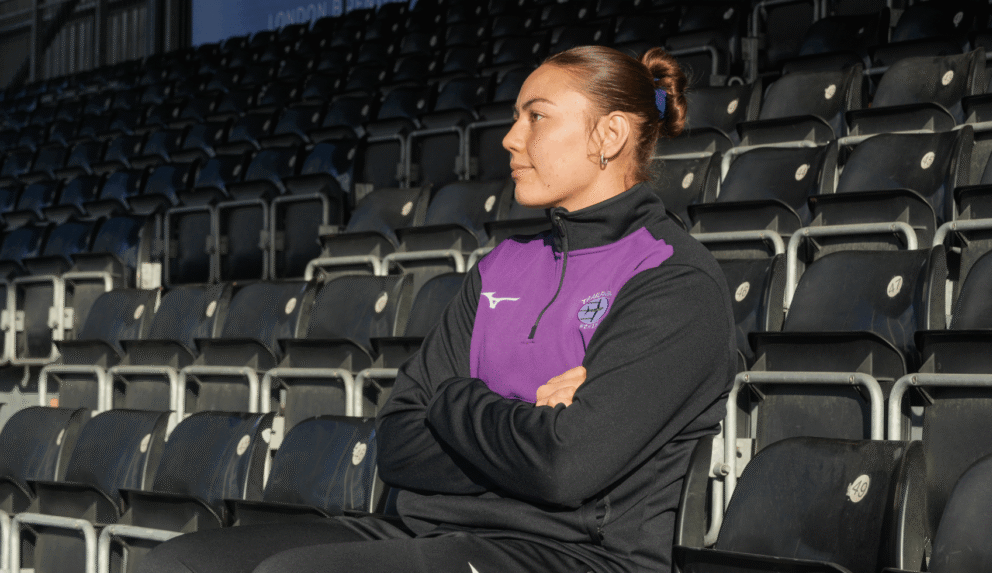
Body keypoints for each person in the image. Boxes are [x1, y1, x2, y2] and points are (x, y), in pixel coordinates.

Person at [139, 45, 736, 573]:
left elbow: (564, 465)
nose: (511, 138)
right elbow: (400, 441)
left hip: (573, 555)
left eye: (536, 117)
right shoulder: (503, 265)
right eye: (516, 117)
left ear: (608, 136)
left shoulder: (673, 281)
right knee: (177, 563)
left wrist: (450, 401)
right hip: (430, 531)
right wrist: (522, 421)